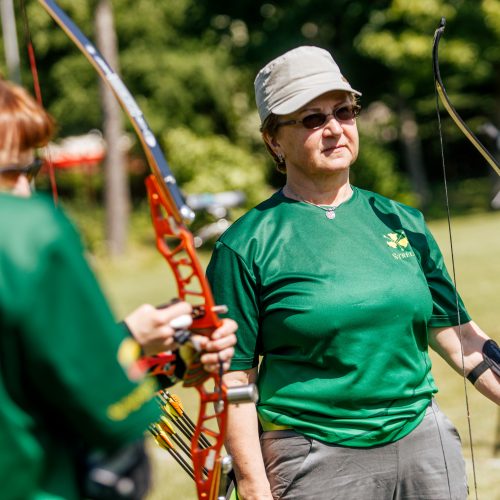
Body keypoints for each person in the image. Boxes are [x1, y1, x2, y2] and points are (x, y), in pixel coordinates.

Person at [206, 46, 500, 500]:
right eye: (311, 119)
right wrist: (252, 484)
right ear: (273, 140)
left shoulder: (399, 220)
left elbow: (461, 340)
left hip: (423, 442)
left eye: (344, 112)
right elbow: (234, 379)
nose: (334, 129)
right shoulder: (246, 244)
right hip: (315, 454)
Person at [0, 77, 237, 499]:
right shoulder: (26, 233)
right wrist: (134, 341)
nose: (25, 188)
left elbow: (34, 374)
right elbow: (107, 415)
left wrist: (173, 356)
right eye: (17, 170)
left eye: (33, 170)